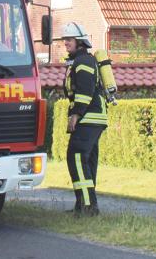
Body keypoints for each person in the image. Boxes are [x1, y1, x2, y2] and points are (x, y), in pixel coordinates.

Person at [61, 22, 108, 217]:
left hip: (89, 117)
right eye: (64, 40)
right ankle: (85, 205)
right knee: (86, 160)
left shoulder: (83, 62)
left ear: (79, 41)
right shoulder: (79, 61)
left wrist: (76, 115)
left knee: (77, 157)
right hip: (93, 117)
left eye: (69, 39)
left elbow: (85, 92)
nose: (65, 43)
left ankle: (88, 207)